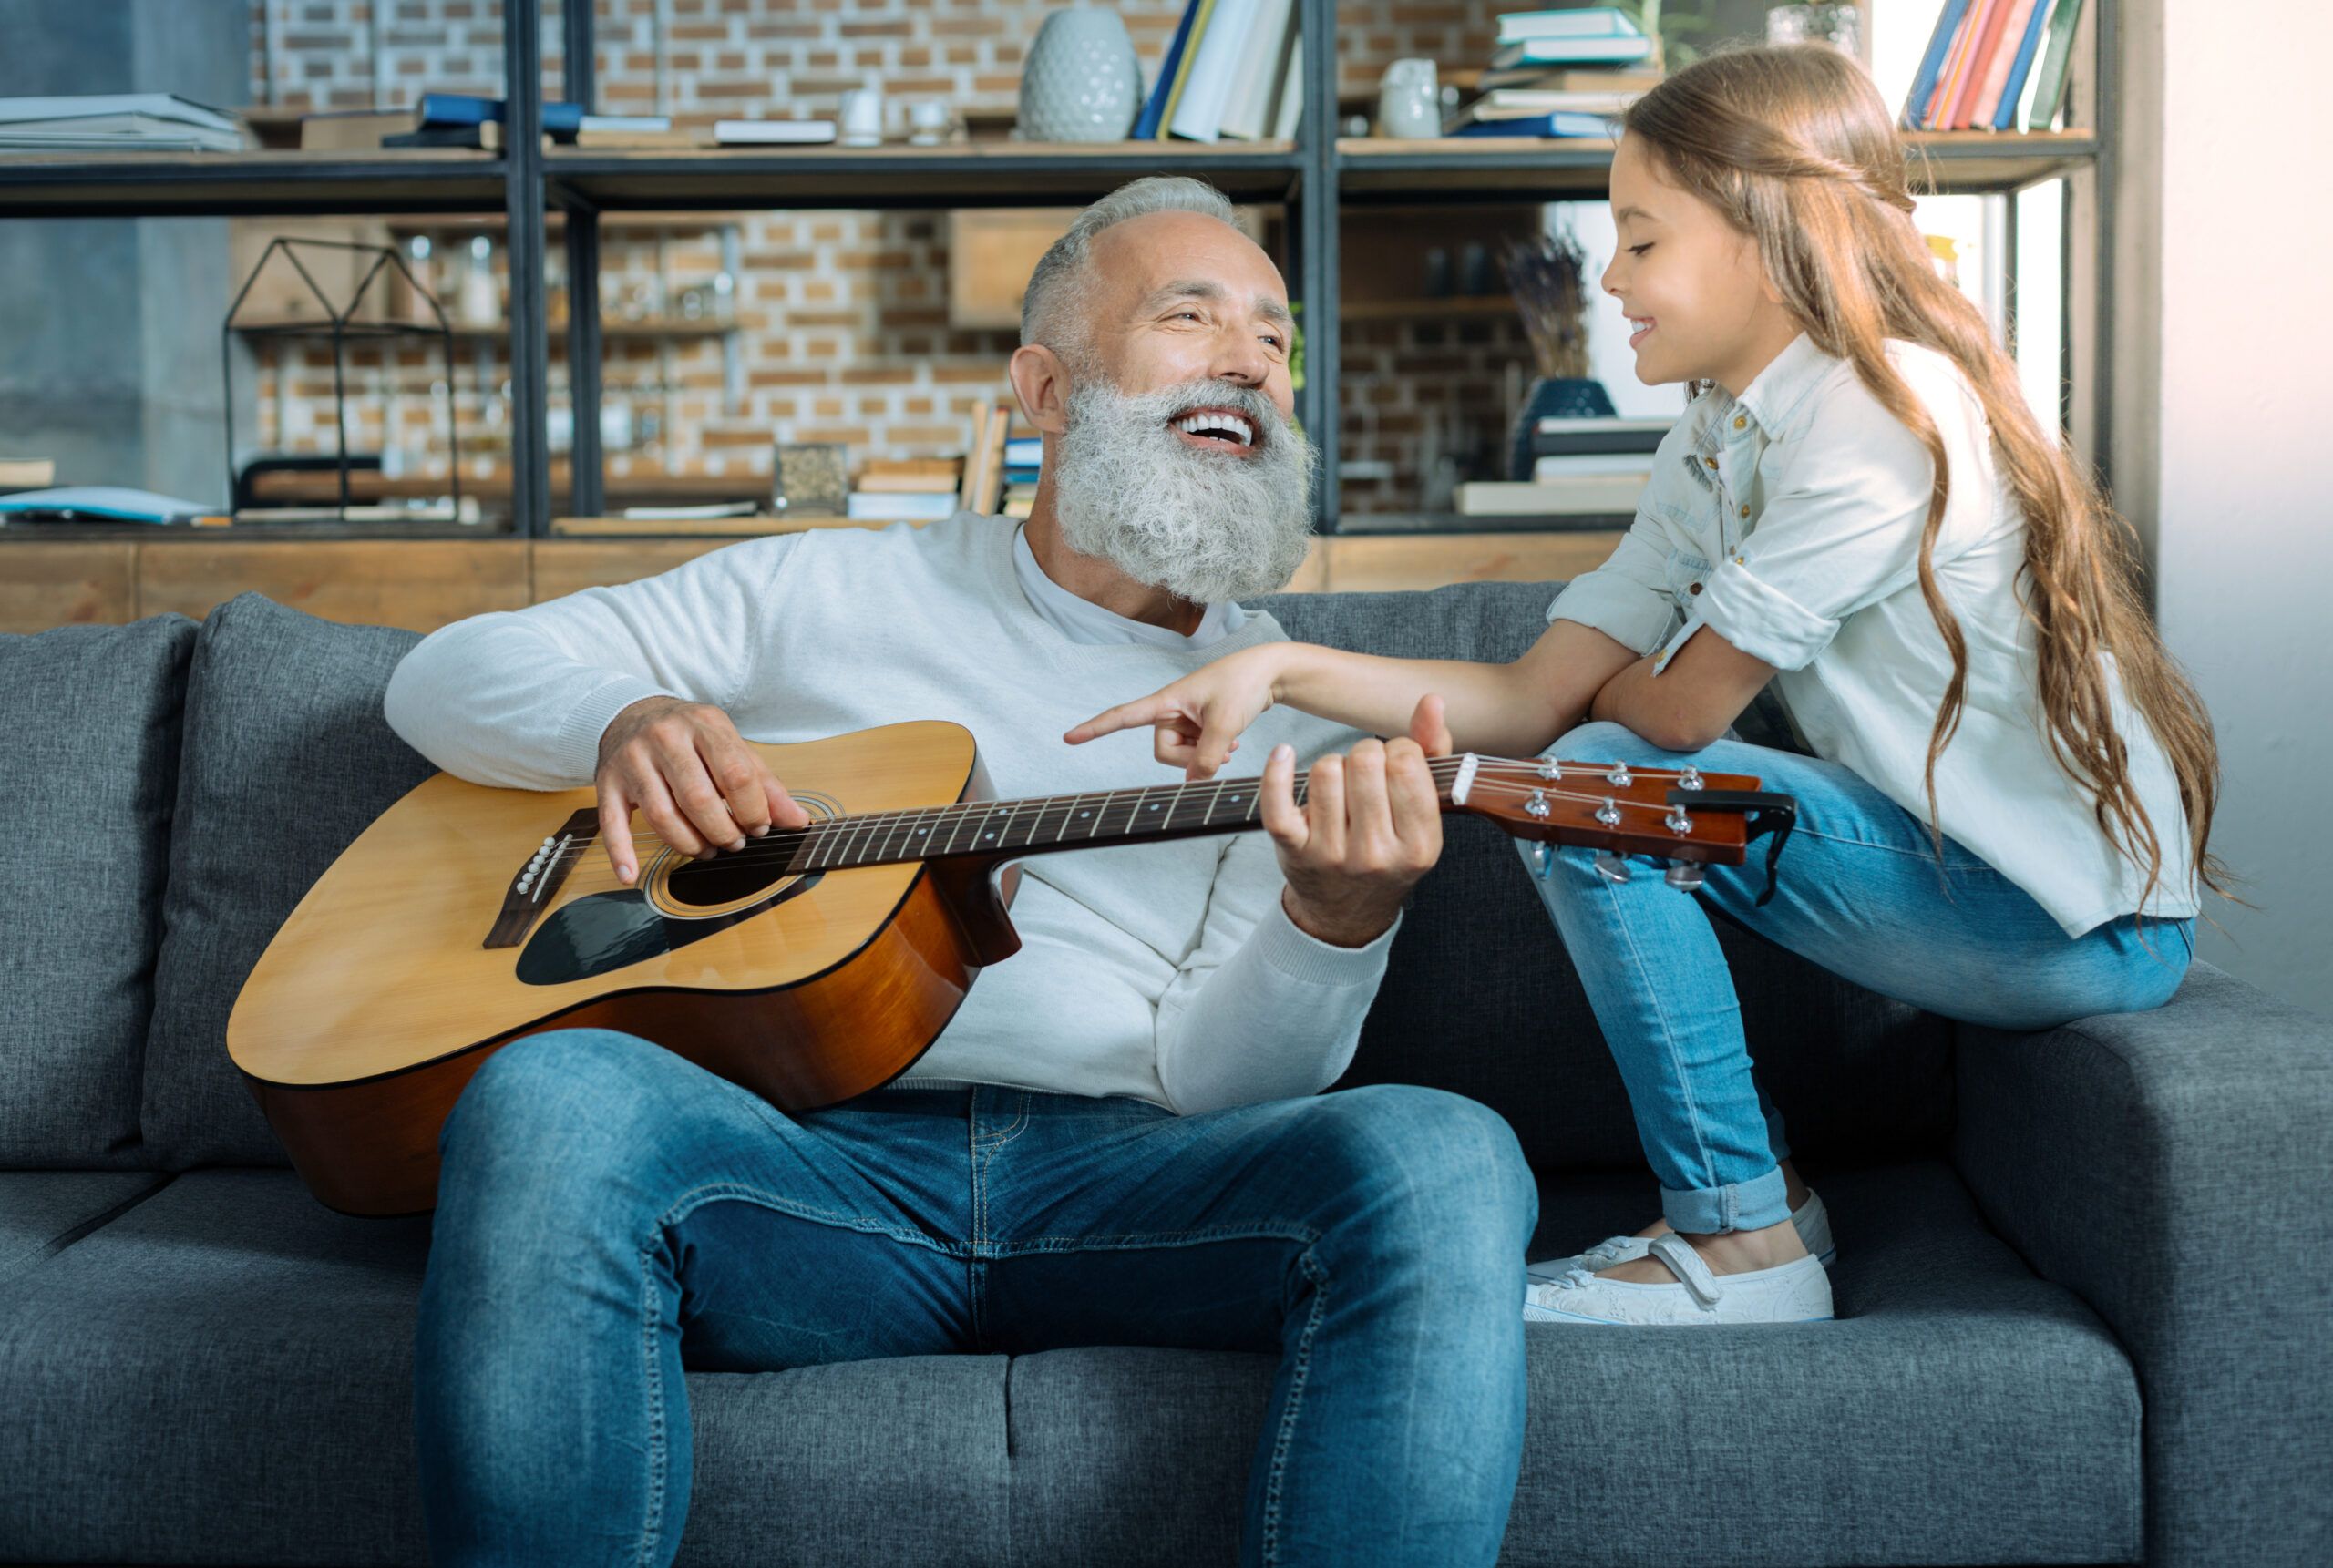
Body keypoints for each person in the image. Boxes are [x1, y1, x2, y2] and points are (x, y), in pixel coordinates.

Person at [383, 175, 1536, 1565]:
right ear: (1046, 391)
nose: (1253, 361)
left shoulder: (1295, 699)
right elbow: (446, 673)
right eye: (1193, 316)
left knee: (1447, 1157)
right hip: (808, 1168)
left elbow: (1222, 1082)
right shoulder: (828, 586)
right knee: (551, 1097)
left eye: (1278, 341)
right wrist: (622, 722)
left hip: (1135, 1189)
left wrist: (1334, 920)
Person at [1067, 46, 2223, 1327]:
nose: (1608, 275)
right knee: (1578, 781)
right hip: (1961, 884)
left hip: (2067, 926)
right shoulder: (1721, 435)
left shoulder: (1885, 416)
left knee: (1594, 789)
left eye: (1641, 238)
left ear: (1770, 237)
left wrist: (1536, 767)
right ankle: (1769, 1192)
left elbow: (1671, 723)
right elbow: (1535, 695)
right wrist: (1277, 661)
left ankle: (1744, 1238)